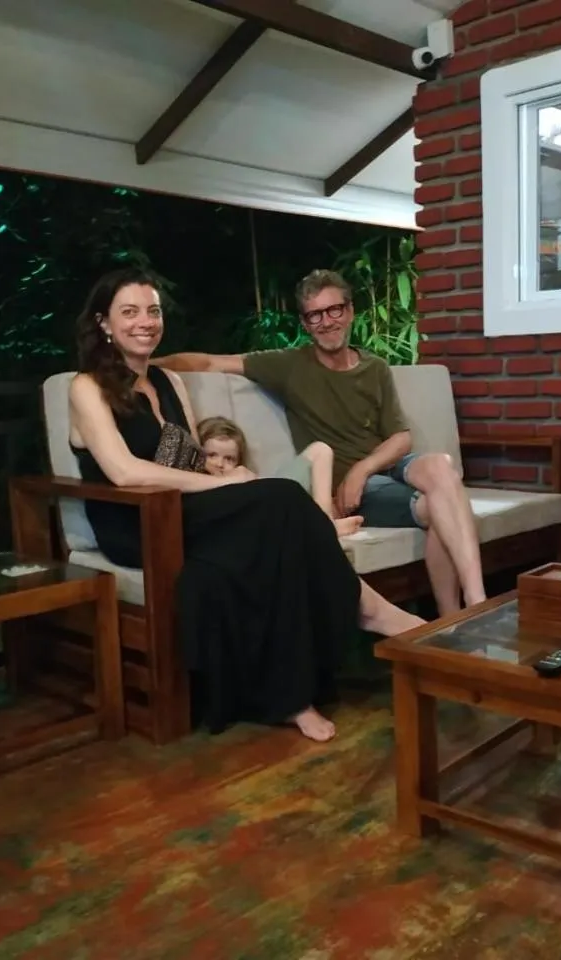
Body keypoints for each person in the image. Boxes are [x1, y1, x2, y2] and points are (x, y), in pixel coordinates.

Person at [67, 268, 425, 743]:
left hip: (185, 510)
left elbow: (192, 461)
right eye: (129, 312)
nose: (145, 322)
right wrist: (221, 489)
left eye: (152, 311)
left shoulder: (169, 382)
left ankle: (295, 694)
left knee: (271, 530)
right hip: (137, 523)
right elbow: (125, 472)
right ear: (105, 323)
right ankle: (371, 612)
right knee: (280, 499)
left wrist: (227, 478)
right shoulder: (86, 387)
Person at [156, 268, 486, 617]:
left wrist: (364, 466)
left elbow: (401, 438)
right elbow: (207, 362)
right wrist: (145, 365)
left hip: (381, 466)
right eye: (315, 314)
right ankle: (457, 618)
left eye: (334, 310)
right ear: (305, 323)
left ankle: (475, 603)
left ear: (350, 311)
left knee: (442, 467)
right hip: (353, 492)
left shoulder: (374, 368)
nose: (327, 321)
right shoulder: (289, 365)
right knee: (442, 505)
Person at [196, 415, 364, 539]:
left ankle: (326, 523)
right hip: (267, 520)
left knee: (321, 450)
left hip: (273, 498)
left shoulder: (241, 475)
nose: (219, 463)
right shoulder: (193, 483)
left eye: (229, 459)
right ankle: (325, 528)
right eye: (211, 455)